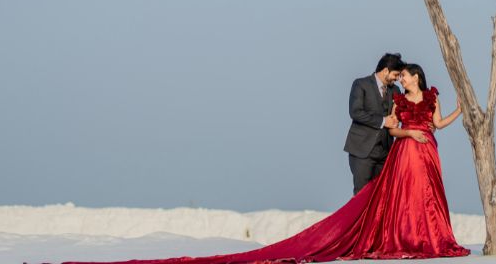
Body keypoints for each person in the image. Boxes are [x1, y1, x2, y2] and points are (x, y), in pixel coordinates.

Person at [60, 62, 468, 264]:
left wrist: (453, 117)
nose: (404, 78)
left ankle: (418, 239)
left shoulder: (422, 96)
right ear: (393, 71)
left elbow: (436, 121)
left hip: (422, 152)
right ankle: (375, 240)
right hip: (394, 151)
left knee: (423, 201)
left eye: (408, 75)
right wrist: (403, 131)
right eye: (401, 73)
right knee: (374, 200)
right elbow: (378, 122)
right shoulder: (379, 93)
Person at [344, 52, 405, 195]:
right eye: (395, 75)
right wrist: (384, 121)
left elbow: (399, 114)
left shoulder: (395, 90)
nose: (397, 79)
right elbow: (356, 112)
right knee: (361, 195)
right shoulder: (361, 84)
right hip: (362, 151)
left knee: (382, 196)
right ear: (385, 71)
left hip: (385, 153)